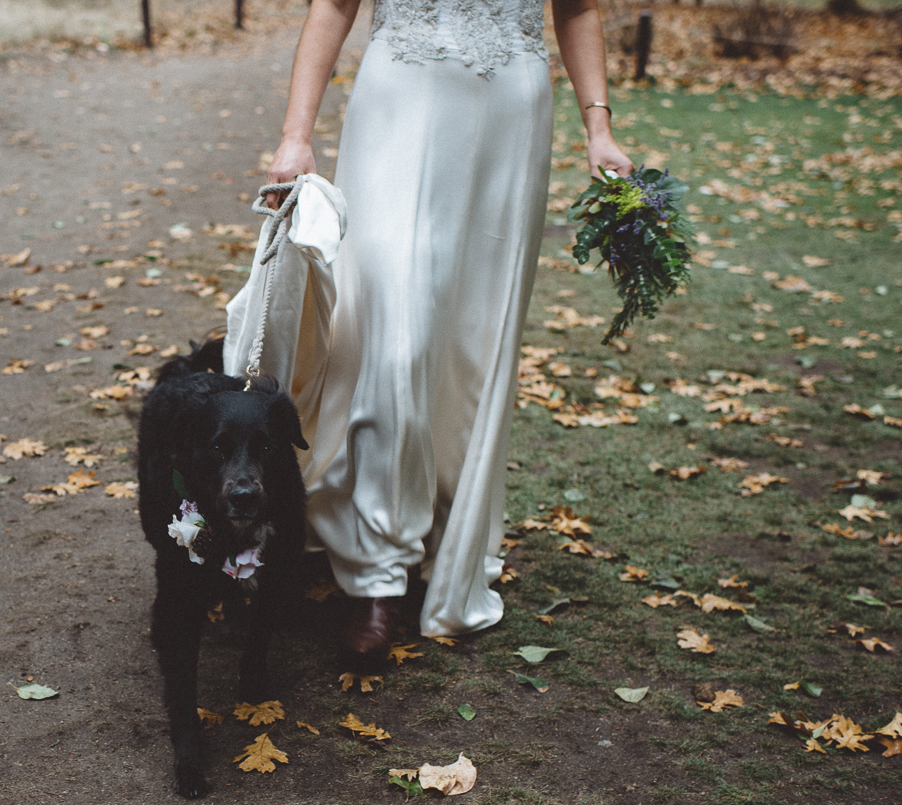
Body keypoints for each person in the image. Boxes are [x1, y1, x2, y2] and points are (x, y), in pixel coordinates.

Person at [264, 0, 633, 652]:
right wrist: (297, 134)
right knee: (394, 333)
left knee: (471, 343)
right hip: (399, 99)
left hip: (510, 119)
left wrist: (597, 127)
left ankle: (442, 525)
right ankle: (376, 574)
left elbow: (577, 9)